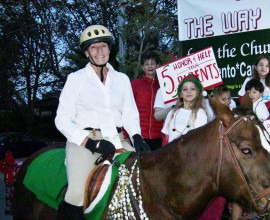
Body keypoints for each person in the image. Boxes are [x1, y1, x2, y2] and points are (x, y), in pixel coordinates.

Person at [54, 24, 150, 219]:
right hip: (84, 141)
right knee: (77, 192)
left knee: (143, 178)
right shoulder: (76, 79)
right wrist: (90, 142)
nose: (99, 51)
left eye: (103, 46)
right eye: (93, 47)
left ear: (109, 48)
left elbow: (130, 113)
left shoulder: (122, 79)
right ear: (87, 53)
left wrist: (137, 136)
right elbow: (62, 119)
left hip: (117, 138)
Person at [130, 51, 163, 151]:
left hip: (159, 135)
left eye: (152, 63)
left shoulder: (164, 86)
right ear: (142, 67)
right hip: (140, 135)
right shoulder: (135, 85)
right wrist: (127, 135)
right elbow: (127, 109)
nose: (150, 66)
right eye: (146, 64)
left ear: (158, 66)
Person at [161, 74, 208, 144]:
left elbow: (200, 140)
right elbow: (165, 139)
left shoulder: (200, 113)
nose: (188, 91)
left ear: (198, 92)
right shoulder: (172, 113)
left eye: (192, 89)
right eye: (185, 89)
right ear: (180, 94)